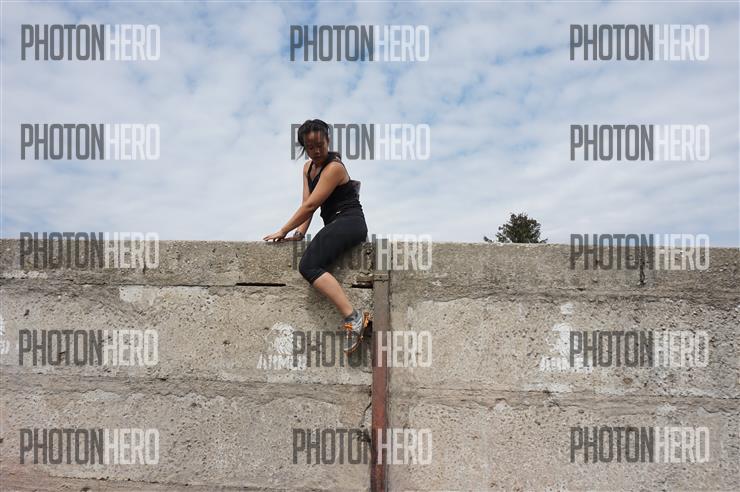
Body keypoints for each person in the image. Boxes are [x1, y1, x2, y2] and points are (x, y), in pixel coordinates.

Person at [263, 119, 370, 354]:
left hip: (350, 222)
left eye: (320, 145)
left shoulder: (334, 168)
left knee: (308, 265)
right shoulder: (307, 168)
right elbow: (307, 203)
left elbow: (311, 205)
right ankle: (353, 317)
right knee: (310, 263)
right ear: (304, 147)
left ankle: (354, 317)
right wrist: (299, 233)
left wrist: (283, 230)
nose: (316, 151)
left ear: (328, 141)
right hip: (335, 223)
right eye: (310, 147)